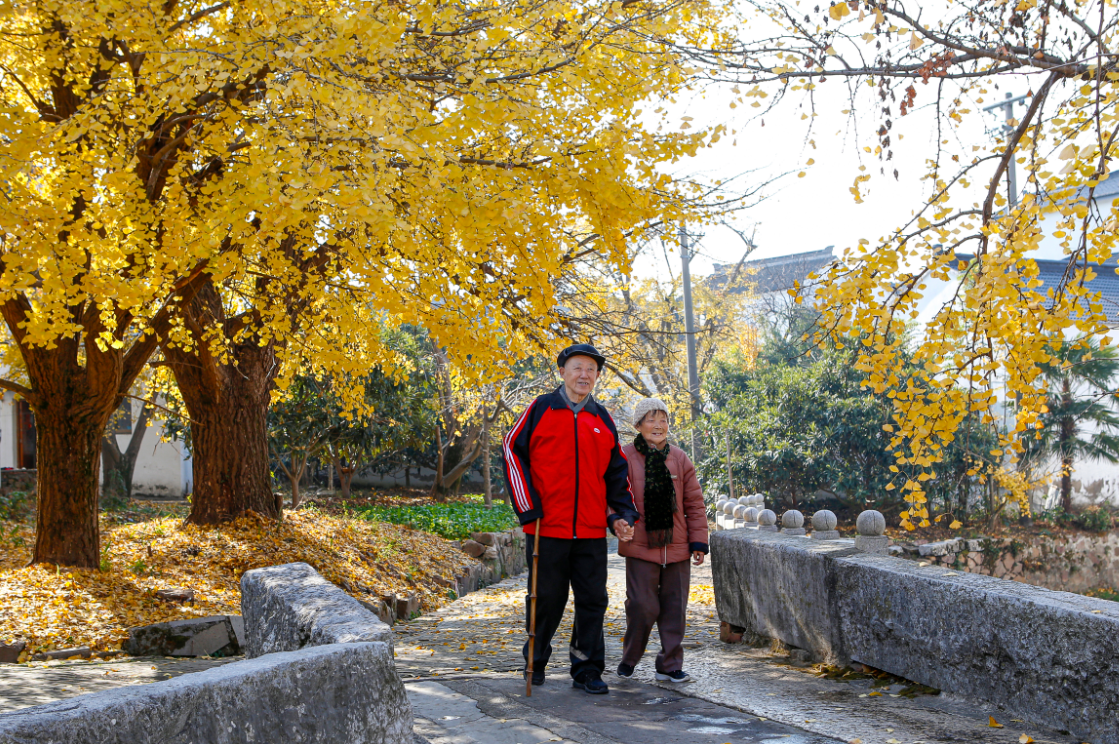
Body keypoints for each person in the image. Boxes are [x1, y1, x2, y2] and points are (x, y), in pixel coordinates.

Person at [503, 343, 639, 695]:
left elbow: (616, 473)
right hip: (547, 526)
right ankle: (535, 661)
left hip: (592, 530)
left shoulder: (602, 418)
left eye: (591, 370)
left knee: (593, 600)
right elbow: (511, 451)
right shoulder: (540, 408)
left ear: (596, 376)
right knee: (547, 597)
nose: (584, 375)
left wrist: (622, 515)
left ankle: (587, 668)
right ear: (563, 371)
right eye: (577, 367)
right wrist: (528, 507)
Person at [615, 397, 708, 683]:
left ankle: (670, 665)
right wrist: (619, 520)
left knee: (674, 609)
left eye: (663, 419)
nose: (658, 425)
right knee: (643, 605)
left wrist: (698, 542)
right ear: (638, 425)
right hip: (641, 547)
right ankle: (631, 656)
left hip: (678, 548)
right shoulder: (624, 456)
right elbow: (614, 496)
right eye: (651, 419)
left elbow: (694, 503)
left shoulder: (679, 457)